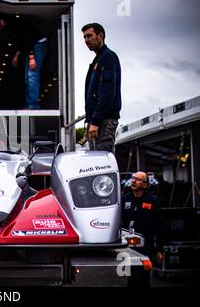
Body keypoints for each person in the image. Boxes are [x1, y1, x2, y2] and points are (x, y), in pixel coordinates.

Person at [0, 12, 47, 109]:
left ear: (2, 22)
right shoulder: (9, 29)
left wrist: (32, 58)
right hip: (32, 47)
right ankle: (29, 104)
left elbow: (28, 39)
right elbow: (21, 42)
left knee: (32, 76)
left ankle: (32, 105)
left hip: (37, 45)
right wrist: (17, 54)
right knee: (28, 77)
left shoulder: (15, 25)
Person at [82, 23, 121, 153]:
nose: (86, 40)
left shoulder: (108, 57)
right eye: (84, 37)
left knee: (103, 162)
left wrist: (96, 122)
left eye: (89, 36)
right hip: (98, 121)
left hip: (104, 121)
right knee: (96, 162)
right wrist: (91, 122)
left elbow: (107, 92)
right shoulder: (98, 59)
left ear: (100, 36)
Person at [122, 171, 164, 264]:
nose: (133, 181)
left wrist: (159, 250)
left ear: (145, 185)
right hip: (127, 247)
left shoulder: (152, 201)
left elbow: (159, 226)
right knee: (128, 276)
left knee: (143, 275)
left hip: (146, 248)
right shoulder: (124, 199)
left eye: (138, 179)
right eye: (133, 178)